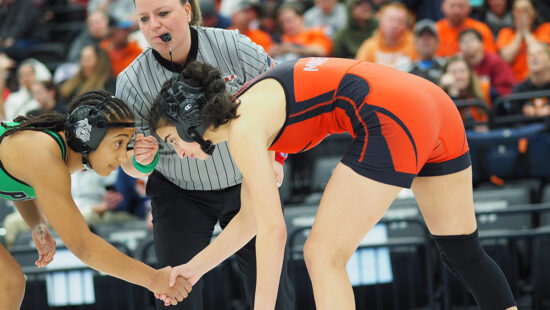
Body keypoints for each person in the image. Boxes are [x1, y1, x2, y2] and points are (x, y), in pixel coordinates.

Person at [148, 58, 518, 310]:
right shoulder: (249, 111)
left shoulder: (244, 130)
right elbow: (250, 220)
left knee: (322, 255)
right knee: (462, 251)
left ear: (190, 123)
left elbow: (274, 231)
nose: (177, 153)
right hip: (432, 103)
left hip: (394, 115)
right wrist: (194, 269)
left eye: (172, 141)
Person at [116, 0, 295, 309]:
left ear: (187, 10)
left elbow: (283, 102)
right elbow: (128, 163)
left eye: (163, 14)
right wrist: (140, 161)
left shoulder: (234, 46)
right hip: (179, 193)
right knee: (174, 288)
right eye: (144, 19)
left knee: (272, 286)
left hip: (247, 181)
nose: (154, 26)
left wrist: (275, 159)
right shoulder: (131, 81)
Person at [0, 89, 191, 310]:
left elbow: (17, 178)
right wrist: (154, 280)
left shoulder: (49, 151)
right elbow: (83, 246)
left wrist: (38, 225)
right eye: (118, 143)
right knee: (9, 283)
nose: (121, 157)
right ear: (87, 135)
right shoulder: (46, 157)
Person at [496, 0, 550, 81]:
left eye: (526, 10)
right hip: (514, 83)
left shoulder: (545, 29)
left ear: (534, 12)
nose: (522, 15)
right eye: (519, 11)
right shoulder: (506, 32)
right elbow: (505, 59)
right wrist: (519, 33)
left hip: (541, 80)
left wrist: (526, 32)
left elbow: (541, 54)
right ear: (513, 13)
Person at [355, 2, 416, 70]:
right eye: (390, 19)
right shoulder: (369, 47)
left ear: (405, 25)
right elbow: (359, 72)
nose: (394, 25)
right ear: (381, 22)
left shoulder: (415, 44)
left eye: (399, 21)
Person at [409, 19, 446, 84]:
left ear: (437, 42)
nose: (426, 40)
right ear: (415, 43)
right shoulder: (407, 70)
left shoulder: (446, 67)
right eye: (421, 36)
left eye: (430, 36)